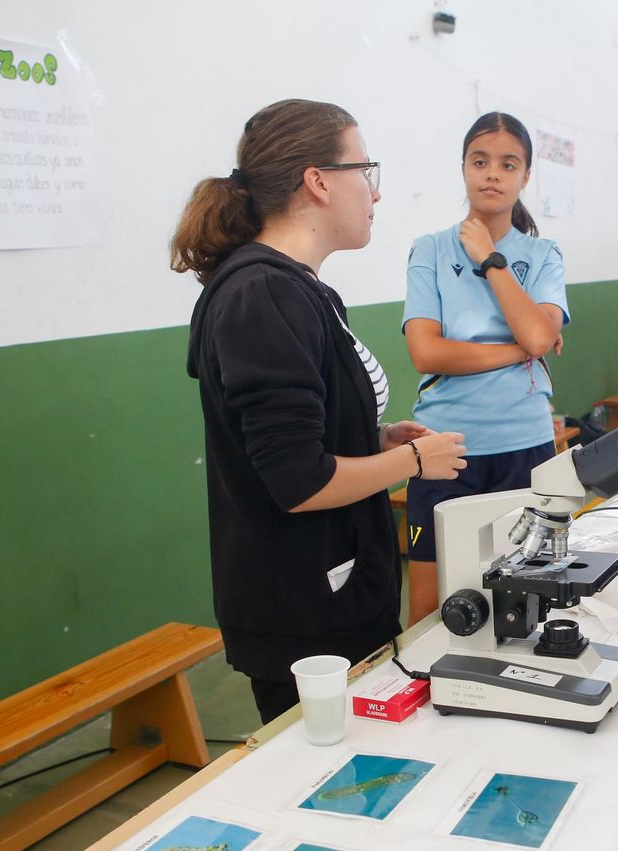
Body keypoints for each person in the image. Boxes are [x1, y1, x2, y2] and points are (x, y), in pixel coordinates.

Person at [173, 99, 467, 724]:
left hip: (337, 594)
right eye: (367, 171)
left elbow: (304, 424)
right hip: (302, 616)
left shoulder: (299, 289)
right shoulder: (261, 295)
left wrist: (377, 436)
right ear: (318, 180)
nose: (375, 195)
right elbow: (298, 480)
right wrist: (413, 460)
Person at [401, 112, 569, 624]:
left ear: (525, 177)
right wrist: (519, 349)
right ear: (464, 169)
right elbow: (426, 352)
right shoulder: (429, 249)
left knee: (530, 599)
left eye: (507, 163)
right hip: (444, 448)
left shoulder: (542, 254)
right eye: (480, 161)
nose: (492, 174)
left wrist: (489, 258)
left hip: (525, 442)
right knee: (431, 609)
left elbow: (540, 334)